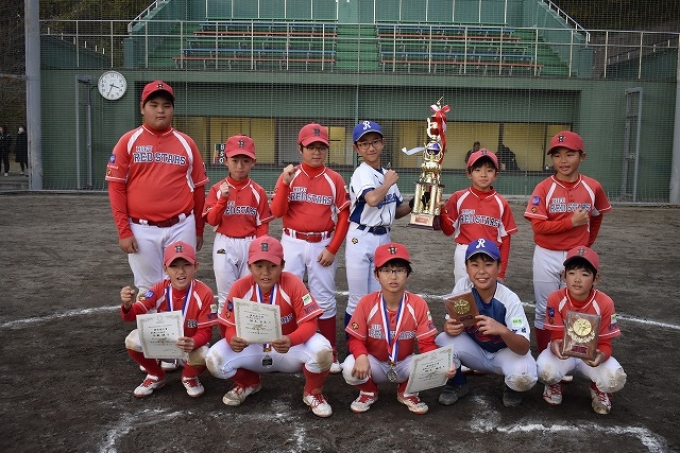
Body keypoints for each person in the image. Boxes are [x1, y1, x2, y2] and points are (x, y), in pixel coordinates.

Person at [206, 235, 334, 418]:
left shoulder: (293, 283)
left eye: (272, 266)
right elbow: (230, 326)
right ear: (249, 266)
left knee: (323, 352)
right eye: (258, 266)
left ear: (282, 266)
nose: (265, 272)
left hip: (289, 349)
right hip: (253, 348)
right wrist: (231, 338)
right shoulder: (240, 287)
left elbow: (310, 323)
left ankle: (312, 392)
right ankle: (249, 382)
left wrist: (291, 339)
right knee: (214, 360)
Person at [105, 80, 209, 296]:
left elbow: (199, 190)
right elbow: (116, 188)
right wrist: (124, 231)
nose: (160, 110)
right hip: (141, 228)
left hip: (181, 225)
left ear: (172, 109)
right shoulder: (128, 141)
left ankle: (181, 321)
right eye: (154, 105)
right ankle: (153, 321)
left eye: (166, 106)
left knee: (181, 285)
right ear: (142, 108)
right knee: (148, 289)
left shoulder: (186, 143)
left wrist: (199, 229)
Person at [270, 123, 350, 374]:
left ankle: (329, 351)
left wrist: (333, 248)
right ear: (300, 148)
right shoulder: (290, 175)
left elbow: (344, 216)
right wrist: (285, 183)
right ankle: (287, 348)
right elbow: (276, 212)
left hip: (322, 243)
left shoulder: (334, 179)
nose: (316, 152)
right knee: (286, 295)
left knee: (324, 298)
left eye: (321, 147)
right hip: (292, 242)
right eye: (311, 147)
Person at [342, 242, 456, 415]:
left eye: (399, 270)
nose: (393, 276)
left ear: (407, 274)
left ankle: (406, 391)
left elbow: (426, 343)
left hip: (404, 363)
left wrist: (441, 363)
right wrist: (361, 355)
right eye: (386, 270)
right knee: (349, 366)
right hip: (374, 362)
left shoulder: (418, 304)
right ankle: (369, 391)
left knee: (438, 366)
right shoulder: (366, 303)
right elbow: (355, 339)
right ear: (376, 274)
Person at [524, 131, 611, 354]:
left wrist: (586, 244)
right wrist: (570, 222)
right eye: (557, 155)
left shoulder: (593, 186)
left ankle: (572, 354)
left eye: (569, 154)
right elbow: (538, 227)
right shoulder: (544, 187)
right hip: (546, 254)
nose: (563, 161)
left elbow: (597, 215)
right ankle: (546, 355)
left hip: (576, 257)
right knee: (545, 309)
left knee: (574, 308)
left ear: (582, 156)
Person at [435, 238, 537, 407]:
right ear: (466, 267)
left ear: (499, 267)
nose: (481, 271)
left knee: (524, 376)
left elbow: (523, 347)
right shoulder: (463, 286)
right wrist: (449, 328)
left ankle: (512, 387)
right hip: (475, 352)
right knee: (441, 341)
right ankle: (458, 383)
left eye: (488, 264)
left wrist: (502, 330)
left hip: (504, 355)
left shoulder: (509, 299)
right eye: (475, 265)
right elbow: (450, 324)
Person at [119, 241, 218, 398]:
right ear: (165, 269)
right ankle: (156, 375)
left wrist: (194, 342)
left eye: (186, 265)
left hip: (189, 346)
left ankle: (189, 376)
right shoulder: (158, 289)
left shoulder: (204, 293)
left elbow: (206, 332)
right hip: (164, 344)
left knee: (205, 353)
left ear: (196, 266)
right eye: (174, 266)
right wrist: (127, 305)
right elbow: (131, 315)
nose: (181, 271)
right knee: (132, 340)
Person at [537, 246, 627, 414]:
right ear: (564, 276)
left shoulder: (605, 302)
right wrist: (555, 347)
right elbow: (556, 337)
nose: (577, 279)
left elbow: (606, 343)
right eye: (572, 273)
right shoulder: (555, 298)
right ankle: (554, 383)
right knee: (545, 370)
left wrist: (601, 356)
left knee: (615, 379)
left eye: (585, 274)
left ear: (595, 279)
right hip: (564, 355)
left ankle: (598, 388)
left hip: (590, 357)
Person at [345, 120, 412, 328]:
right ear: (356, 148)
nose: (371, 147)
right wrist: (388, 182)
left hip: (384, 238)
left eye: (375, 141)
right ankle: (353, 343)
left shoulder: (385, 173)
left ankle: (374, 341)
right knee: (358, 300)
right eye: (364, 143)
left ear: (383, 143)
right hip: (360, 237)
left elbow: (396, 211)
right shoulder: (362, 172)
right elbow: (372, 200)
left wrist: (417, 203)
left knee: (377, 297)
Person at [203, 134, 273, 318]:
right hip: (224, 243)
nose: (240, 166)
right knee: (226, 297)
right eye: (235, 160)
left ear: (253, 162)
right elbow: (212, 220)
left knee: (249, 295)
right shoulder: (217, 189)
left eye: (245, 161)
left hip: (250, 243)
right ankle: (228, 333)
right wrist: (222, 200)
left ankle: (246, 333)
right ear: (225, 160)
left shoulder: (258, 191)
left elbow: (262, 225)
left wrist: (260, 251)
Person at [439, 149, 517, 286]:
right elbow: (448, 231)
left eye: (489, 170)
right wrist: (441, 212)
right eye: (478, 170)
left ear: (496, 175)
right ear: (469, 173)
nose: (483, 174)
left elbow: (505, 240)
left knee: (486, 295)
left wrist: (501, 273)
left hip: (490, 254)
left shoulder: (501, 203)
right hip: (464, 252)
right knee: (463, 294)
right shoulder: (458, 197)